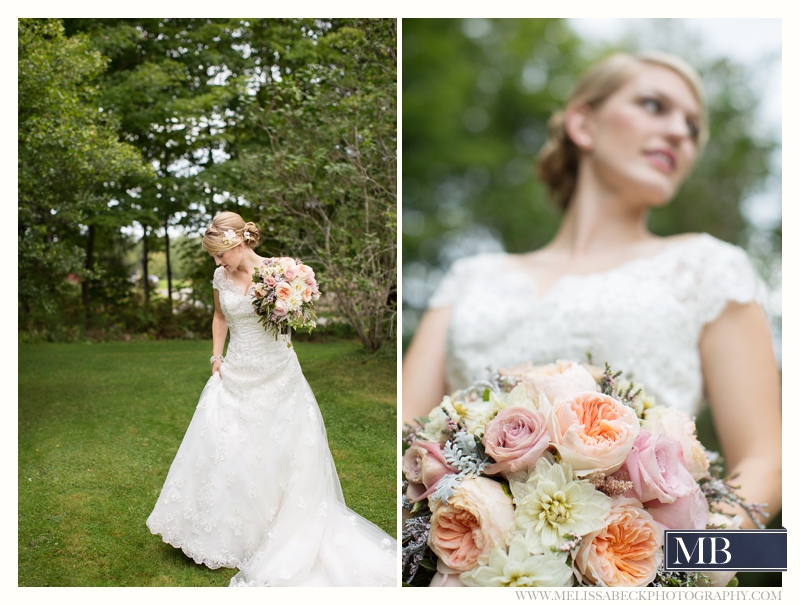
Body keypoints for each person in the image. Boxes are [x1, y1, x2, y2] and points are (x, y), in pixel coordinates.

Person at [402, 52, 781, 528]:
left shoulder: (709, 267)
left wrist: (682, 575)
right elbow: (404, 436)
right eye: (654, 105)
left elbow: (767, 462)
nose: (681, 133)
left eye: (692, 126)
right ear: (583, 123)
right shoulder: (471, 277)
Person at [146, 211, 396, 586]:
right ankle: (223, 533)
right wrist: (216, 356)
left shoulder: (281, 272)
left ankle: (274, 530)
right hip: (235, 372)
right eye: (213, 257)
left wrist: (291, 302)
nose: (217, 263)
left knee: (279, 451)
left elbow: (293, 318)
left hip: (278, 374)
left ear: (238, 243)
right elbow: (219, 317)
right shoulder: (220, 277)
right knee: (225, 447)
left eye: (220, 255)